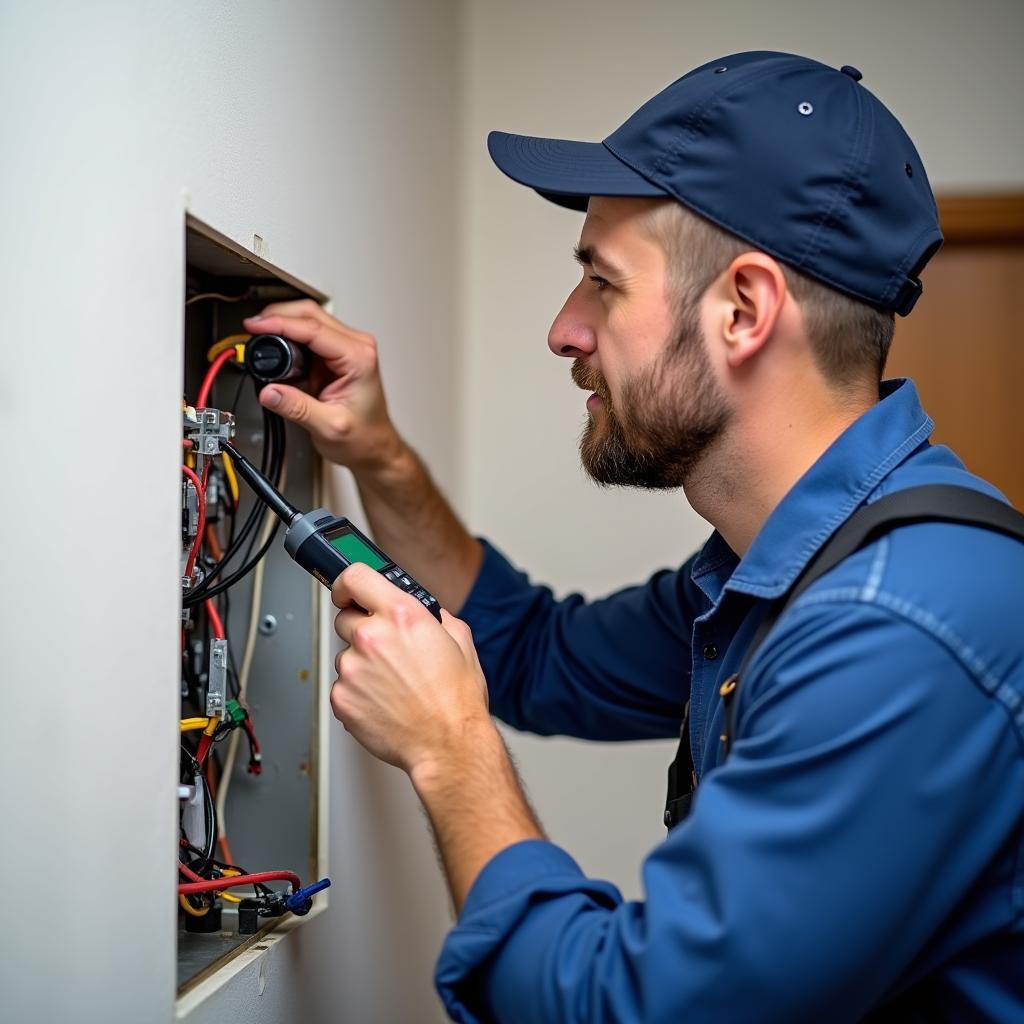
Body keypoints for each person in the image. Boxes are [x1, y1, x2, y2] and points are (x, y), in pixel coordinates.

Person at [243, 51, 1024, 1022]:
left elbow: (632, 1010)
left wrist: (451, 751)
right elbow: (525, 651)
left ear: (743, 309)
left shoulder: (896, 628)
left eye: (602, 284)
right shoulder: (774, 576)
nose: (565, 332)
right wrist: (381, 458)